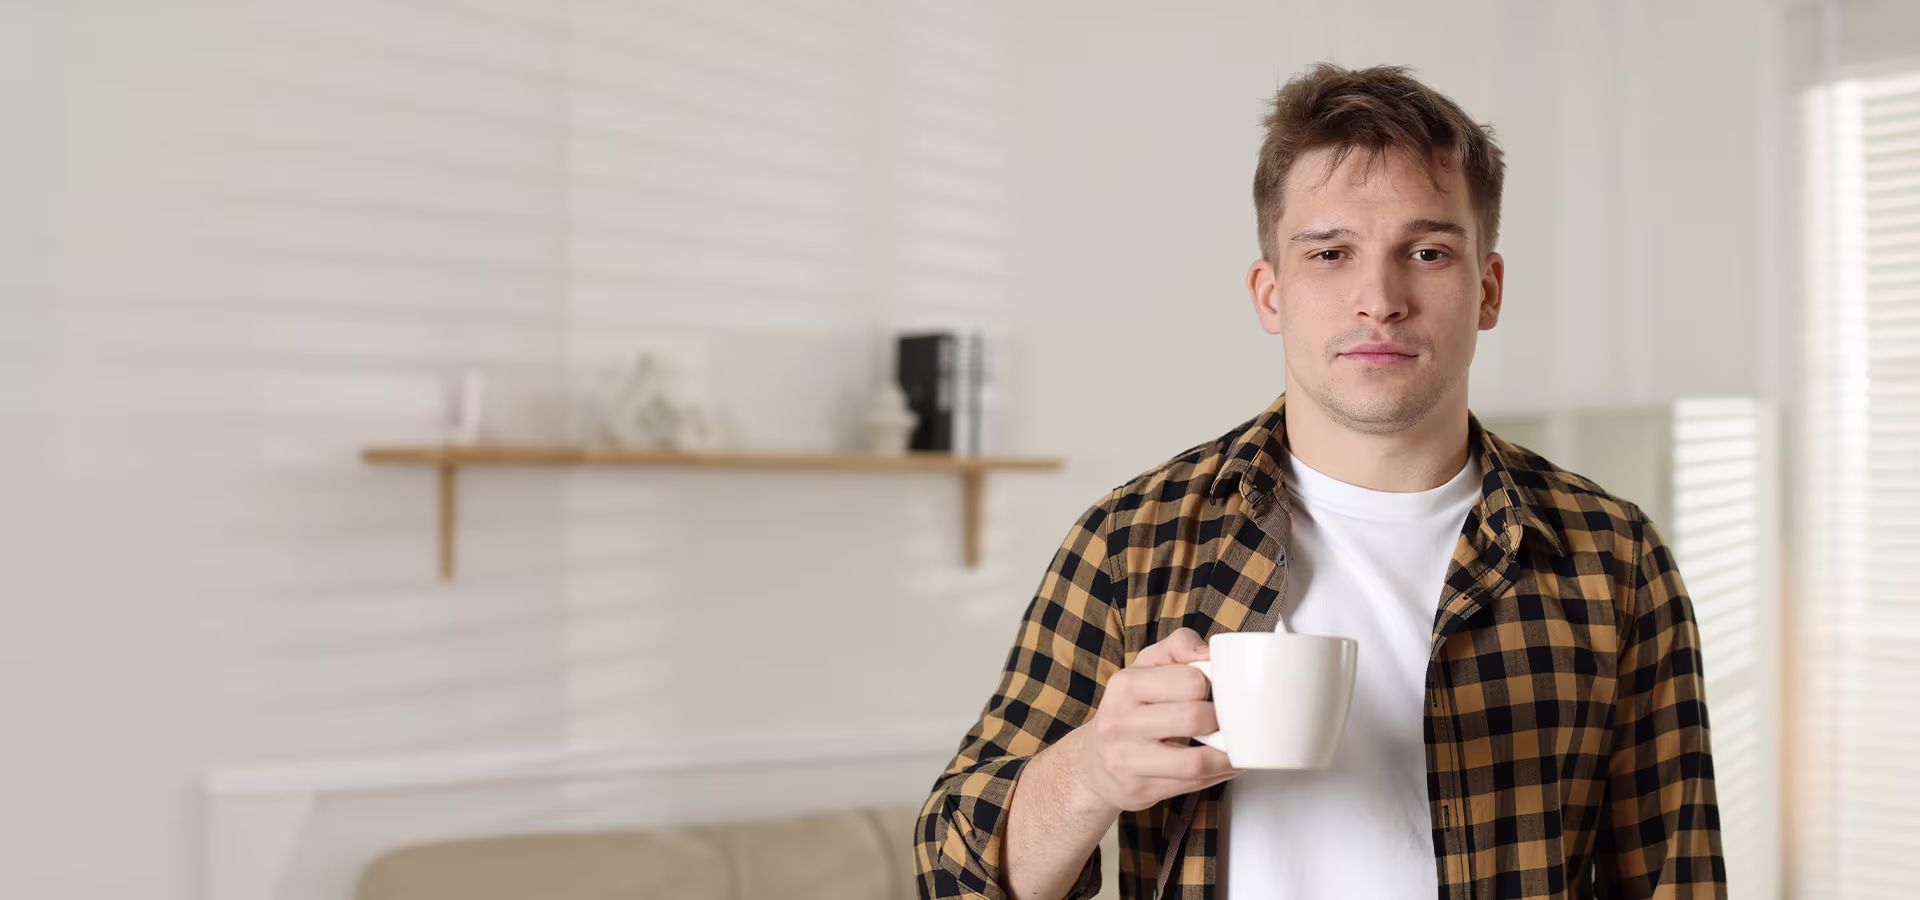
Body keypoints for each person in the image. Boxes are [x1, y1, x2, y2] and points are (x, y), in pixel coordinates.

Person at [912, 63, 1725, 900]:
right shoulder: (1131, 539)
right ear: (1272, 294)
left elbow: (1678, 880)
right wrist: (1090, 771)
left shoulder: (1612, 555)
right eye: (1331, 253)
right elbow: (950, 872)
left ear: (1487, 289)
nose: (1379, 298)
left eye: (1428, 251)